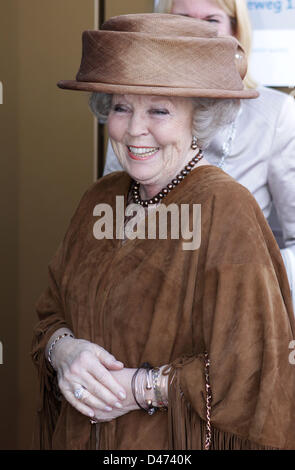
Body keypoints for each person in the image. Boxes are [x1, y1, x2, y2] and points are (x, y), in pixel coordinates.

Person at [31, 13, 295, 450]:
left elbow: (257, 368)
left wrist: (139, 388)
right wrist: (64, 354)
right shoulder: (99, 199)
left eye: (159, 109)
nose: (136, 129)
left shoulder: (227, 209)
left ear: (200, 116)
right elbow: (51, 314)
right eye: (121, 107)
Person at [104, 0, 295, 307]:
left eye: (211, 20)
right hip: (137, 308)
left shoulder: (276, 116)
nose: (196, 33)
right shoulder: (132, 115)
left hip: (233, 309)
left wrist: (240, 275)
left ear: (236, 32)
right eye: (182, 19)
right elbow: (110, 223)